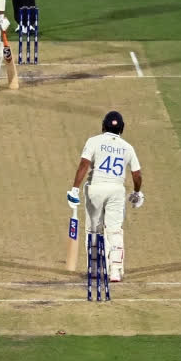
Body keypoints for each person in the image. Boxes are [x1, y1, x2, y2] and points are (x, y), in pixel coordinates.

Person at [66, 111, 144, 283]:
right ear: (122, 129)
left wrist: (74, 189)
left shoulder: (93, 141)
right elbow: (136, 174)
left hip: (95, 189)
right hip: (116, 190)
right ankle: (115, 270)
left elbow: (84, 165)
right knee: (114, 230)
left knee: (93, 229)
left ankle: (94, 269)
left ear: (103, 126)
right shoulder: (128, 147)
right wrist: (137, 192)